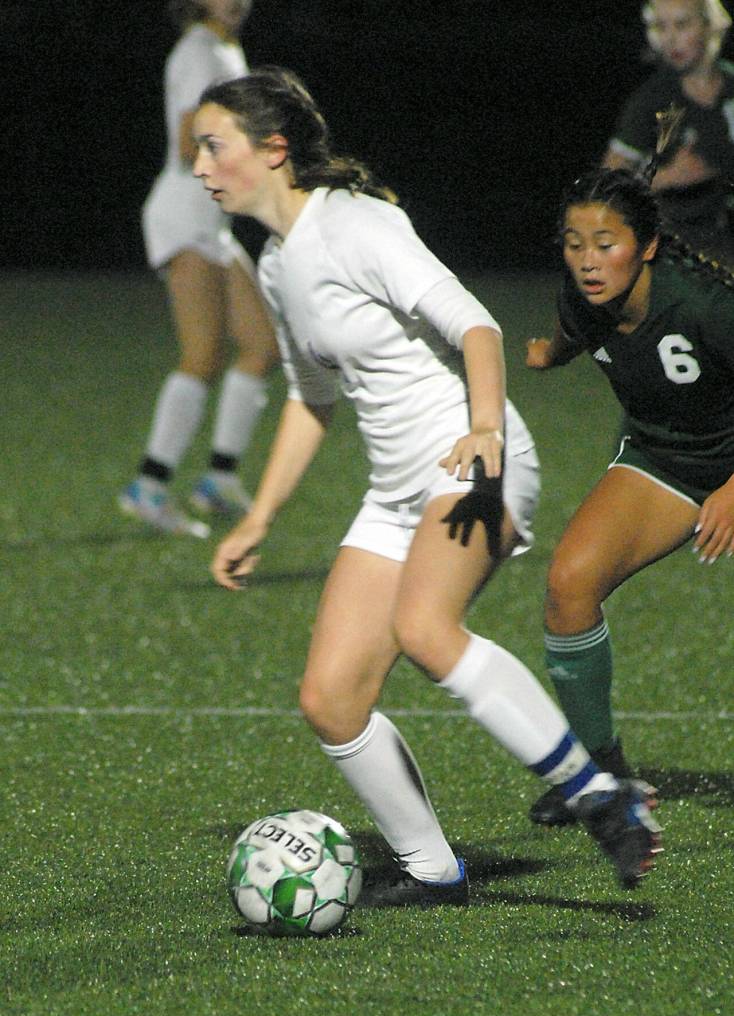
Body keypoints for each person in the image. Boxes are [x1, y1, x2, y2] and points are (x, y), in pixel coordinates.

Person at [195, 66, 662, 902]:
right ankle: (432, 870)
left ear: (271, 150)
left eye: (212, 145)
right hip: (396, 490)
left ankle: (603, 797)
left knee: (424, 625)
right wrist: (259, 516)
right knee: (330, 698)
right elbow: (311, 397)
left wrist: (484, 429)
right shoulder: (275, 265)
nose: (199, 165)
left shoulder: (358, 225)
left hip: (474, 459)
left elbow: (474, 323)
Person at [525, 164, 734, 827]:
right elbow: (572, 333)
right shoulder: (582, 298)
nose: (588, 261)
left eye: (605, 243)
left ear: (646, 246)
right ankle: (601, 777)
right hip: (663, 461)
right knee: (569, 584)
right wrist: (550, 354)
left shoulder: (704, 304)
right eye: (574, 242)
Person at [119, 0, 278, 538]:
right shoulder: (198, 50)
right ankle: (149, 485)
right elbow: (190, 147)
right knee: (203, 355)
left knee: (261, 346)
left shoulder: (225, 48)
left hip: (213, 223)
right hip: (185, 213)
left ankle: (218, 479)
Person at [603, 0, 734, 263]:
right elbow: (609, 181)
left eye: (682, 24)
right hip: (675, 249)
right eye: (661, 27)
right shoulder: (653, 100)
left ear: (712, 27)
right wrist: (667, 177)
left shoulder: (730, 87)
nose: (670, 38)